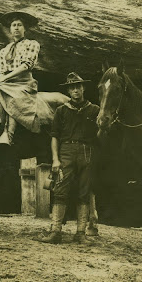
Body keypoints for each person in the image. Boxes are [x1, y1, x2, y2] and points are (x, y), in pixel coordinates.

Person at [39, 72, 100, 244]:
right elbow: (54, 136)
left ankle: (80, 233)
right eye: (72, 87)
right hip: (66, 151)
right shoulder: (61, 111)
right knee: (60, 190)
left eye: (78, 86)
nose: (75, 90)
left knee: (84, 192)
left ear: (83, 88)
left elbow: (101, 134)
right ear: (68, 90)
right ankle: (55, 231)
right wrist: (55, 159)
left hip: (87, 152)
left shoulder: (94, 110)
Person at [0, 10, 40, 145]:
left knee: (14, 97)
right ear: (10, 29)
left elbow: (26, 66)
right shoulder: (4, 50)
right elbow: (3, 70)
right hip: (5, 81)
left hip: (23, 82)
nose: (16, 28)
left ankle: (9, 134)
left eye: (19, 25)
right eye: (14, 25)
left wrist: (3, 80)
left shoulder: (32, 44)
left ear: (25, 29)